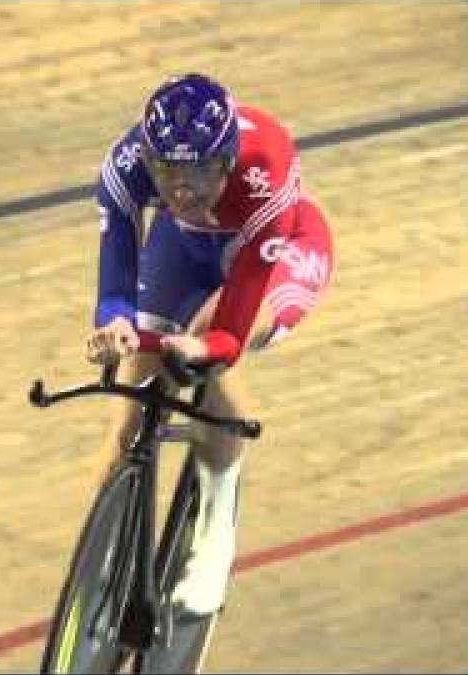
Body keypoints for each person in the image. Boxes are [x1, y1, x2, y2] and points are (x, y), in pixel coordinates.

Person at [85, 73, 334, 615]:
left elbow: (228, 334)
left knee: (202, 339)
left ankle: (217, 524)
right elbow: (115, 289)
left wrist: (206, 352)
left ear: (226, 160)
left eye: (198, 172)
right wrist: (117, 325)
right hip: (187, 246)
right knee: (128, 414)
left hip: (277, 247)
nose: (181, 190)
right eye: (167, 172)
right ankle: (97, 567)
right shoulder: (127, 169)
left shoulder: (266, 170)